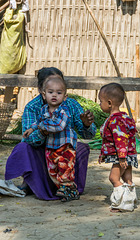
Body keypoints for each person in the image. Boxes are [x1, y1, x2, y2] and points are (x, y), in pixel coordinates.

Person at [5, 67, 96, 200]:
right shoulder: (33, 107)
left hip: (63, 150)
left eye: (58, 90)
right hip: (43, 152)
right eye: (50, 90)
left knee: (81, 148)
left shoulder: (70, 105)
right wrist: (42, 132)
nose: (54, 94)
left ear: (64, 91)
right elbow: (28, 138)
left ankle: (69, 187)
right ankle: (32, 182)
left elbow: (88, 134)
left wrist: (86, 125)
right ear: (41, 91)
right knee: (22, 147)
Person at [23, 74, 79, 202]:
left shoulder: (64, 110)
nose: (54, 95)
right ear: (44, 95)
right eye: (50, 92)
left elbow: (59, 125)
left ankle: (66, 187)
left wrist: (43, 126)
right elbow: (38, 122)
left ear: (65, 97)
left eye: (59, 93)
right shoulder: (43, 110)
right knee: (53, 170)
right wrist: (31, 129)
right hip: (51, 146)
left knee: (65, 166)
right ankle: (71, 190)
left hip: (65, 145)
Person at [98, 83, 138, 212]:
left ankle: (119, 203)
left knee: (113, 178)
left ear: (109, 103)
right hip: (129, 154)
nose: (99, 104)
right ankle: (130, 202)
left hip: (120, 156)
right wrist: (103, 154)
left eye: (101, 101)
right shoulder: (124, 117)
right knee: (127, 179)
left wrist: (121, 157)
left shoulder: (115, 121)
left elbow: (120, 140)